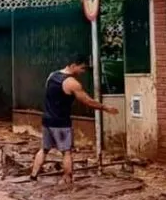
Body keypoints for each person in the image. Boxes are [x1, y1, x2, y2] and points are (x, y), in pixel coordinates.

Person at [29, 54, 118, 185]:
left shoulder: (51, 76)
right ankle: (67, 179)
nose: (82, 72)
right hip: (61, 123)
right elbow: (87, 101)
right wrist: (105, 108)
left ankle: (33, 175)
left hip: (47, 120)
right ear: (73, 65)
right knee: (66, 152)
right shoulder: (71, 83)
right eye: (81, 68)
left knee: (44, 149)